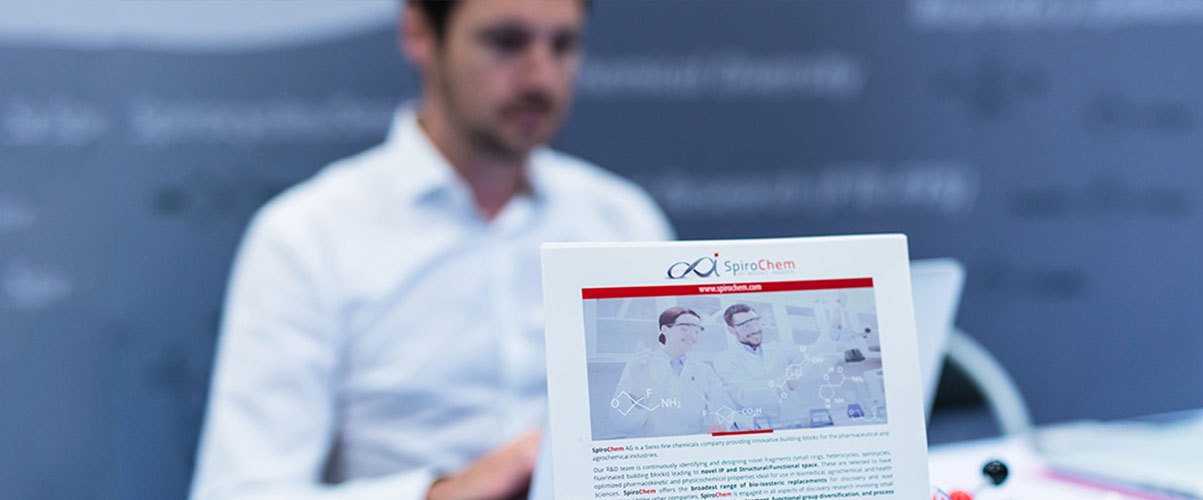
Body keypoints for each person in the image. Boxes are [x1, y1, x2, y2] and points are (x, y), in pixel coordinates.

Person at [190, 1, 672, 499]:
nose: (541, 78)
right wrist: (442, 493)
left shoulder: (623, 222)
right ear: (420, 33)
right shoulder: (309, 236)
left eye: (562, 45)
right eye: (506, 42)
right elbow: (237, 491)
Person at [612, 307, 738, 438]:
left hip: (692, 443)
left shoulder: (704, 370)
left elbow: (723, 410)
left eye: (697, 331)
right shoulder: (640, 364)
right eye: (684, 328)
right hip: (652, 444)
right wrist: (638, 386)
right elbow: (622, 422)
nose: (693, 335)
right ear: (665, 330)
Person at [712, 303, 809, 423]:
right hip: (758, 425)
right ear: (731, 330)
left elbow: (808, 357)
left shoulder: (778, 348)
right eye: (745, 325)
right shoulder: (724, 359)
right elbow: (744, 393)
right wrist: (786, 385)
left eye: (755, 322)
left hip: (795, 421)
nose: (755, 329)